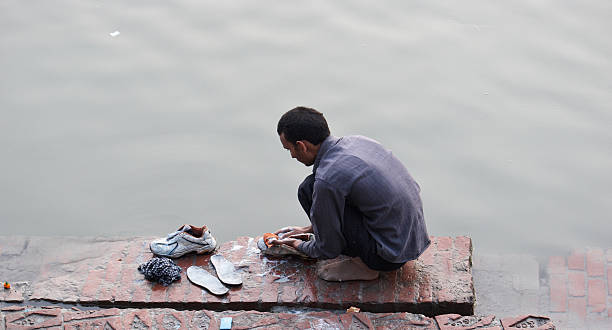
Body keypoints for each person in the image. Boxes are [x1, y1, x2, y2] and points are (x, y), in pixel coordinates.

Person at [271, 106, 430, 281]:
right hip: (413, 240)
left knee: (307, 190)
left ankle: (364, 266)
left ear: (302, 146)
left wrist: (298, 245)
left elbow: (328, 249)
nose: (292, 156)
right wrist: (313, 228)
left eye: (290, 149)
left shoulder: (327, 178)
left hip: (387, 258)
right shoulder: (357, 141)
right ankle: (335, 237)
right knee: (313, 185)